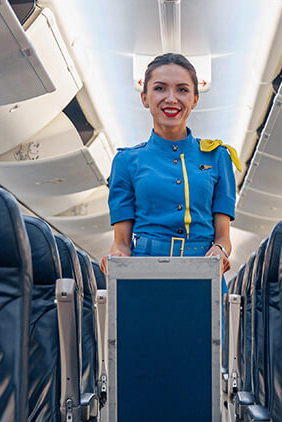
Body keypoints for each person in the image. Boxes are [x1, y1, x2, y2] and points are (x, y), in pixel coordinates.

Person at [101, 52, 239, 275]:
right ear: (144, 97)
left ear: (195, 99)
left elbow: (223, 236)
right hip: (145, 273)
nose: (172, 99)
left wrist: (220, 250)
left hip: (203, 270)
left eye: (182, 90)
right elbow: (122, 243)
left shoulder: (218, 157)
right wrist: (116, 257)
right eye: (160, 88)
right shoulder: (126, 162)